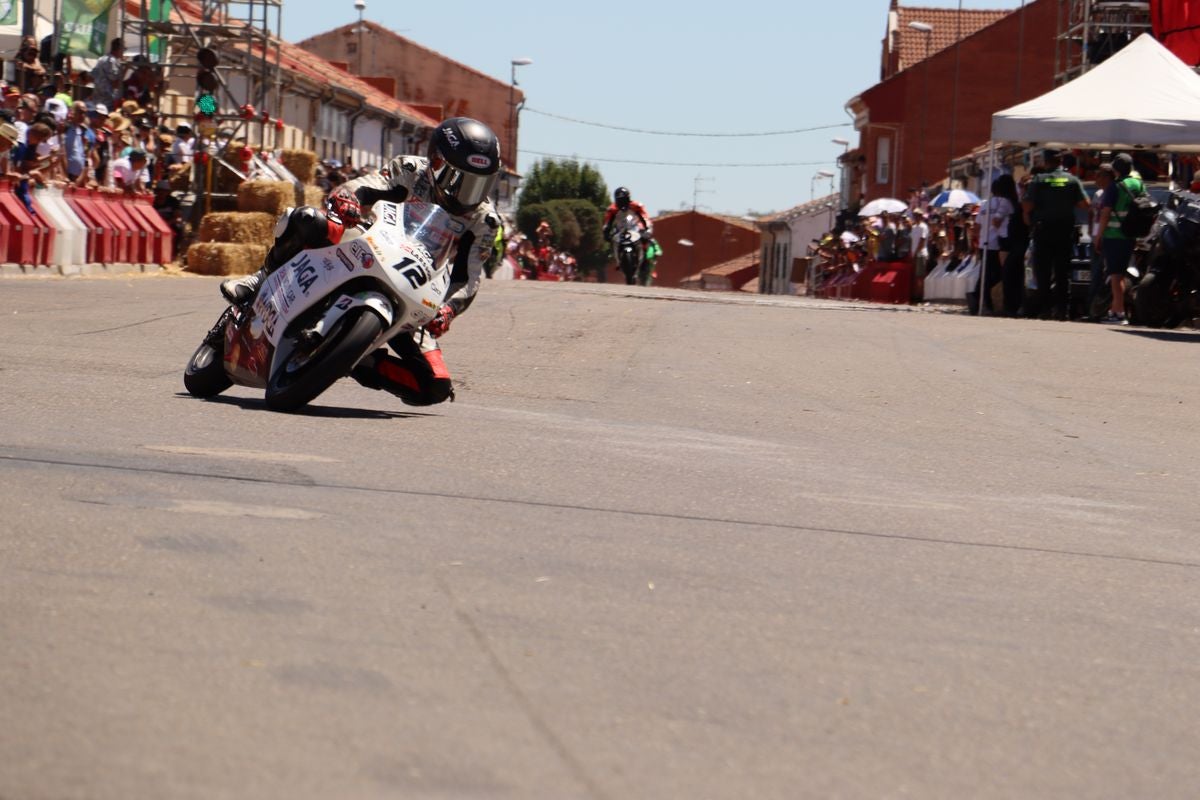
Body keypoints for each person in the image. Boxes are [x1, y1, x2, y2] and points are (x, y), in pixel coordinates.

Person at [221, 116, 503, 407]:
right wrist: (348, 200)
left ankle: (357, 359)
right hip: (370, 245)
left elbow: (467, 279)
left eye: (480, 184)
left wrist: (448, 310)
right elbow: (363, 186)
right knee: (308, 220)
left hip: (416, 287)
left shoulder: (485, 221)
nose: (470, 194)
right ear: (436, 162)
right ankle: (259, 278)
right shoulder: (409, 170)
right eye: (461, 180)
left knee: (435, 386)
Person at [1021, 149, 1089, 320]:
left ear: (1046, 161)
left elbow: (1027, 206)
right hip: (1064, 231)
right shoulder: (1072, 180)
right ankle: (1061, 310)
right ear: (1061, 161)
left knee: (1043, 272)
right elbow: (1084, 203)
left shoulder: (1039, 180)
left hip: (1043, 231)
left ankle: (1045, 309)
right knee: (1062, 273)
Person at [1097, 153, 1143, 325]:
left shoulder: (1114, 186)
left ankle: (1118, 313)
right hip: (1131, 236)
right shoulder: (1138, 184)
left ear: (1115, 169)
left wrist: (1098, 237)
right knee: (1120, 275)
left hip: (1114, 236)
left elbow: (1105, 214)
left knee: (1115, 276)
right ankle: (1116, 310)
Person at [973, 177, 1014, 315]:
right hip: (997, 245)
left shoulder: (984, 205)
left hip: (983, 244)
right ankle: (980, 298)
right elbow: (997, 221)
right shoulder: (1006, 203)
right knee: (998, 275)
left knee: (985, 275)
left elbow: (976, 226)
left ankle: (983, 302)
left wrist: (979, 239)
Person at [1087, 164, 1115, 320]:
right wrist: (1093, 233)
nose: (1096, 179)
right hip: (1096, 239)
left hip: (1107, 238)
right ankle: (1091, 309)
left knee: (1105, 276)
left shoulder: (1113, 192)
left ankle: (1102, 310)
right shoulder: (1097, 194)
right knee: (1095, 275)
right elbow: (1092, 213)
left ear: (1107, 177)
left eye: (1099, 175)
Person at [62, 101, 95, 186]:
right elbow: (63, 154)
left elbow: (81, 155)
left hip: (77, 178)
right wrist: (66, 176)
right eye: (80, 112)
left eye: (85, 113)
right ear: (73, 112)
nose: (83, 115)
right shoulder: (65, 129)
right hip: (68, 177)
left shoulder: (80, 131)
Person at [92, 39, 127, 111]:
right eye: (124, 49)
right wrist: (125, 69)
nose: (124, 52)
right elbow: (115, 83)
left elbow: (93, 76)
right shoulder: (111, 61)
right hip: (107, 102)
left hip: (98, 99)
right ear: (119, 49)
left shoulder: (102, 59)